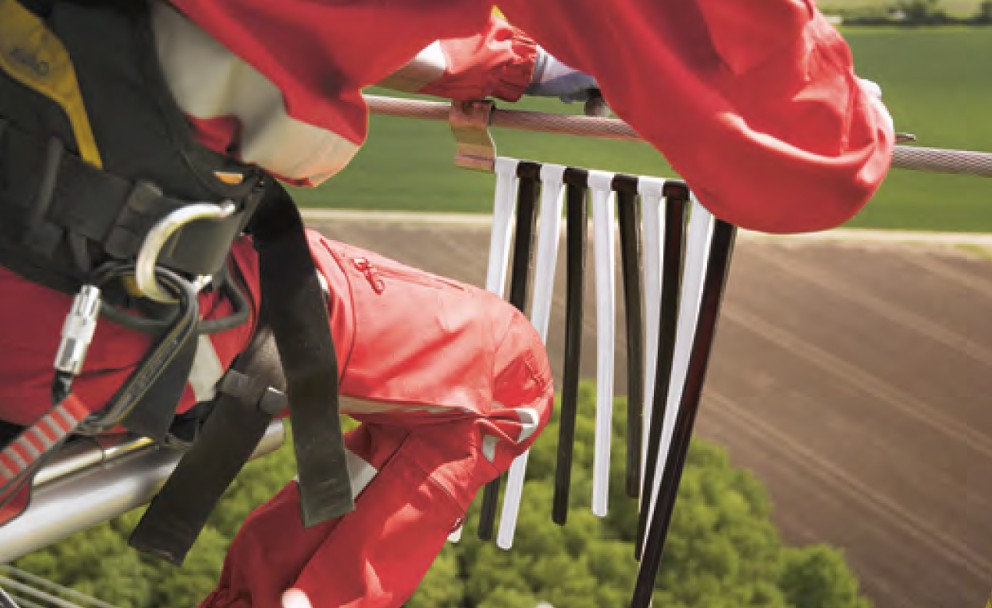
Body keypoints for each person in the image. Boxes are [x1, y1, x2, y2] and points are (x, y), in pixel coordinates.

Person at [0, 1, 893, 607]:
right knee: (499, 371)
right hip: (77, 307)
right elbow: (803, 161)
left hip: (64, 245)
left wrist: (515, 60)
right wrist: (852, 106)